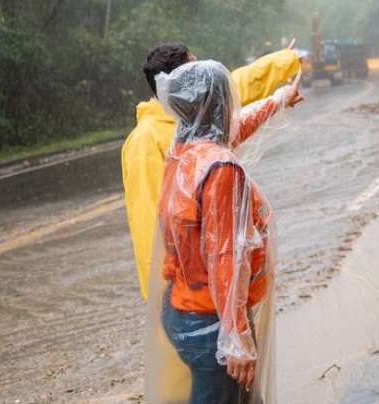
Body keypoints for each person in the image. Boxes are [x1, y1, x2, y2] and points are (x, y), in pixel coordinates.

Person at [152, 60, 303, 404]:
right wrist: (235, 338)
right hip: (212, 323)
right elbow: (226, 256)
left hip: (181, 305)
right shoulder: (221, 170)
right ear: (220, 103)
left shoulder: (184, 150)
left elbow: (234, 129)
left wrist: (279, 99)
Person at [121, 43, 300, 302]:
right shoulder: (145, 140)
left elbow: (237, 87)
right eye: (196, 68)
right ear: (183, 83)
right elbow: (147, 222)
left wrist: (283, 70)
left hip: (219, 283)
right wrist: (162, 297)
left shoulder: (195, 122)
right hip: (188, 297)